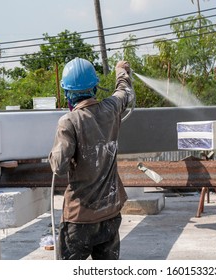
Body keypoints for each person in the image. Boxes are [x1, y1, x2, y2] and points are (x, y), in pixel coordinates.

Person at [48, 58, 134, 260]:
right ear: (95, 87)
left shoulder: (68, 121)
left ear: (68, 93)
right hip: (110, 216)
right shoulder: (111, 109)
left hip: (80, 221)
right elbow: (125, 92)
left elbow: (59, 167)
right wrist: (121, 71)